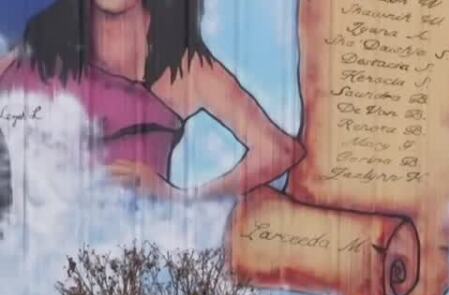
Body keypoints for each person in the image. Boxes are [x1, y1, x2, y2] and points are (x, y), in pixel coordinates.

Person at [0, 0, 303, 200]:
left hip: (122, 262)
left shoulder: (184, 69)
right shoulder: (41, 46)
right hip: (34, 257)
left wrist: (180, 198)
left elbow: (278, 150)